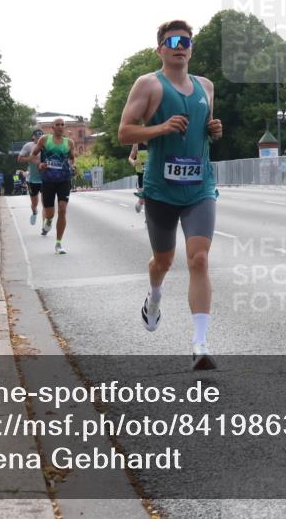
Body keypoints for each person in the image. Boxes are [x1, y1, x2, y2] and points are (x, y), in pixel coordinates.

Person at [118, 19, 223, 371]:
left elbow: (205, 130)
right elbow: (124, 132)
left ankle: (200, 343)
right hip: (161, 190)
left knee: (199, 259)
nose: (180, 47)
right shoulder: (148, 84)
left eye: (186, 42)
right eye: (173, 41)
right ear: (160, 49)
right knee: (162, 261)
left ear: (191, 49)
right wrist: (161, 127)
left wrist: (214, 129)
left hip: (200, 187)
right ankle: (155, 297)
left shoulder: (206, 86)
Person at [30, 119, 76, 254]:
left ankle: (58, 243)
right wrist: (39, 164)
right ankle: (49, 220)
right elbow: (33, 156)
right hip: (48, 180)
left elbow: (72, 158)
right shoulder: (44, 140)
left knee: (62, 210)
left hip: (64, 180)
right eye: (57, 125)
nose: (60, 127)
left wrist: (73, 167)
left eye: (62, 125)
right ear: (52, 127)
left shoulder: (69, 142)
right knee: (50, 213)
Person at [17, 129, 44, 225]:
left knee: (46, 203)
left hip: (45, 179)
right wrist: (30, 158)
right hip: (32, 180)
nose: (39, 138)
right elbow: (19, 159)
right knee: (34, 203)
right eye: (37, 136)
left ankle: (44, 225)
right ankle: (34, 212)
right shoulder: (28, 146)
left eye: (41, 137)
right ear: (33, 137)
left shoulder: (47, 146)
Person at [128, 142, 149, 213]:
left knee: (149, 199)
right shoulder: (136, 143)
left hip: (151, 175)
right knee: (142, 201)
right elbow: (130, 158)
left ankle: (149, 218)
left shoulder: (153, 141)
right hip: (141, 175)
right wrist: (133, 162)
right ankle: (140, 202)